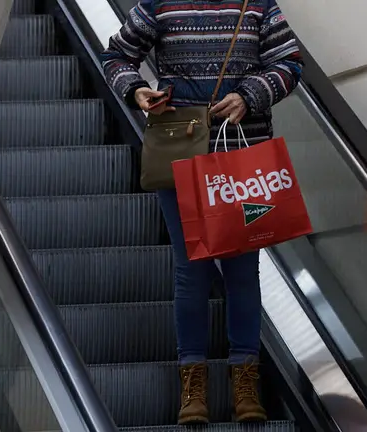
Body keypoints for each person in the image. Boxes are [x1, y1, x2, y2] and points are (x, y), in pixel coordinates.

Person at [100, 0, 303, 425]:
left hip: (243, 162)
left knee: (243, 271)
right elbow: (115, 54)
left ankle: (245, 381)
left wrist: (249, 96)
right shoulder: (159, 5)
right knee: (191, 269)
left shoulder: (258, 5)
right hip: (182, 155)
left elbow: (289, 64)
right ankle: (192, 386)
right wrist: (137, 90)